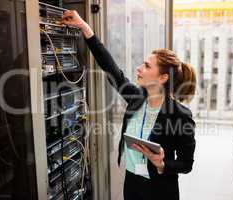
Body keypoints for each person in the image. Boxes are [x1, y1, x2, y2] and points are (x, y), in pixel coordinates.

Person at [62, 10, 196, 200]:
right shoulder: (136, 97)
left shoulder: (180, 115)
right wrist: (86, 28)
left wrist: (162, 164)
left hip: (159, 189)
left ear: (163, 78)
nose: (139, 69)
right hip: (132, 183)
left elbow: (186, 164)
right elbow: (111, 69)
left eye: (147, 66)